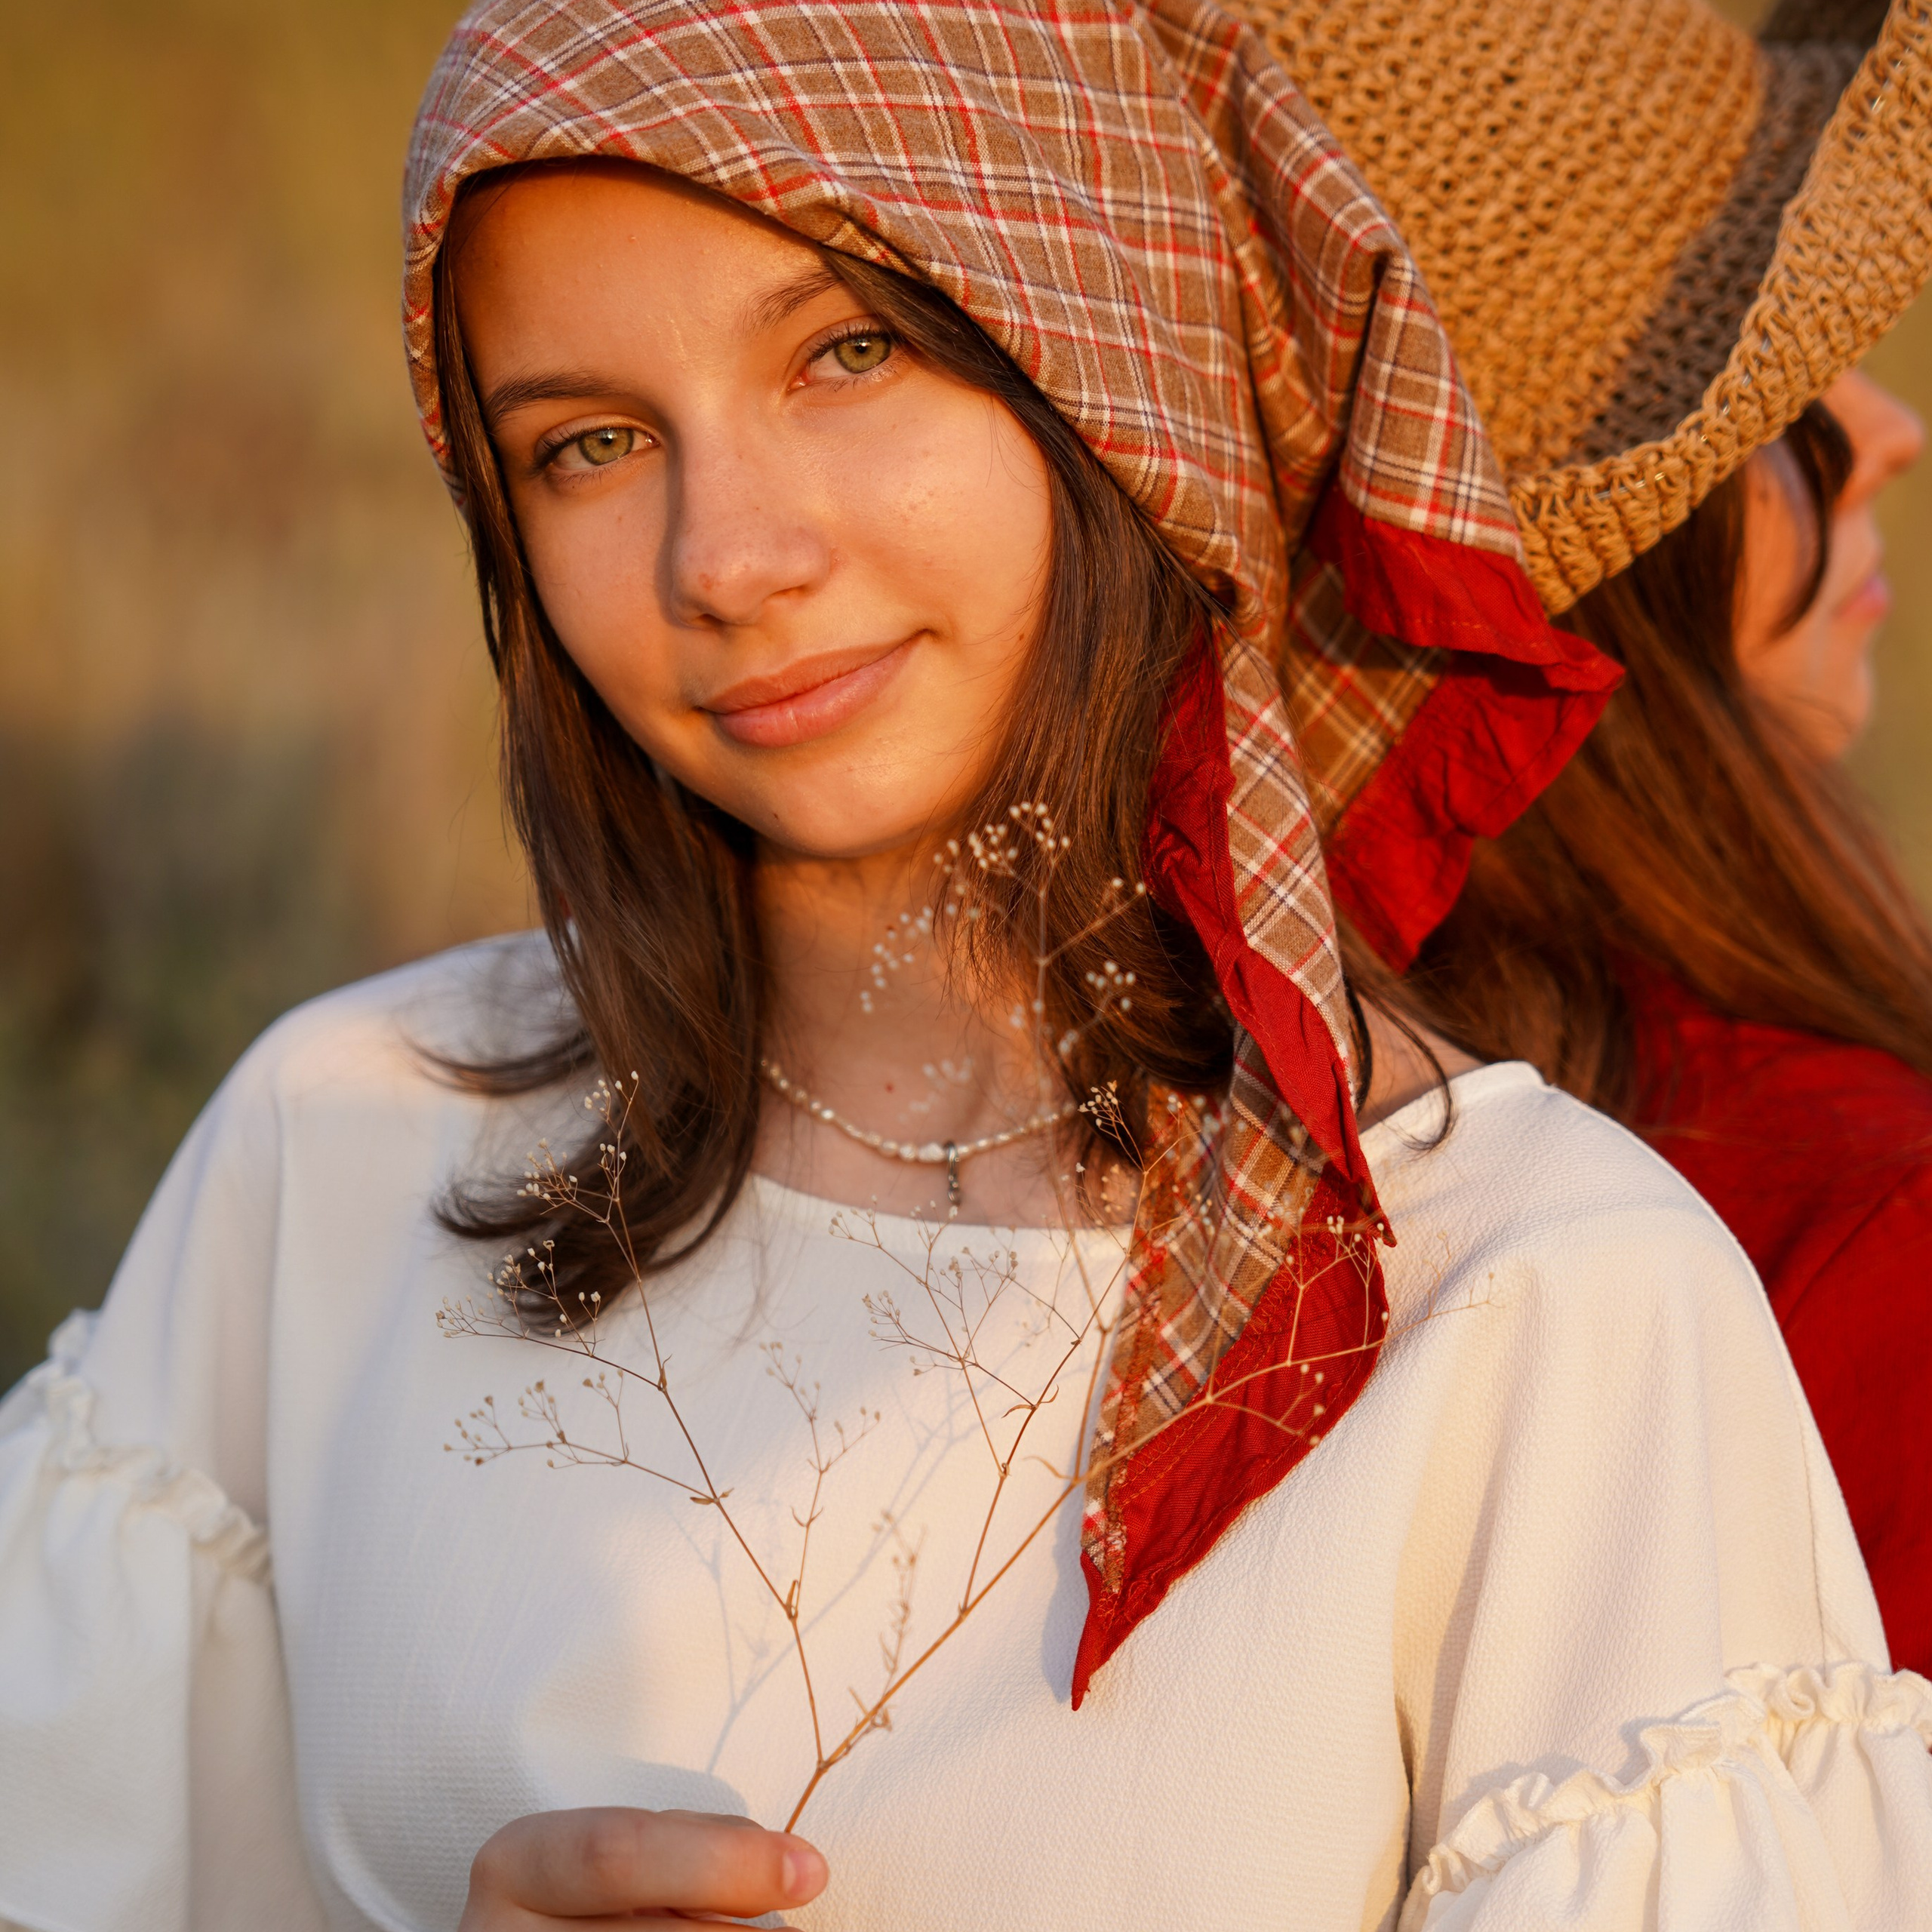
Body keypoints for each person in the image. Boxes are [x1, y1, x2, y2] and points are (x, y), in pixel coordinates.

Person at [2, 4, 1929, 1931]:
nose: (726, 555)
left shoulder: (1532, 1293)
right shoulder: (336, 1147)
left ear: (1123, 370)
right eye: (585, 443)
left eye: (852, 351)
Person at [1235, 0, 1932, 1673]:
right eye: (1771, 383)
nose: (1890, 430)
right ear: (1623, 535)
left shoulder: (1161, 1129)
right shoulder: (1854, 1212)